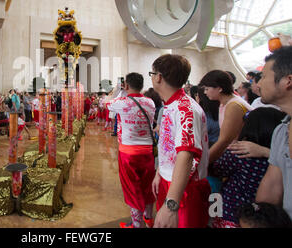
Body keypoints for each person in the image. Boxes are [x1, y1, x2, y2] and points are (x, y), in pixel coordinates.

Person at [150, 54, 210, 228]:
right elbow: (169, 147)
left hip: (184, 188)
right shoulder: (171, 105)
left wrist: (171, 206)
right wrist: (160, 172)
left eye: (152, 74)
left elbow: (186, 155)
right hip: (170, 182)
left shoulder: (186, 109)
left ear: (159, 77)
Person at [210, 107, 285, 228]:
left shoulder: (240, 152)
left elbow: (218, 169)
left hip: (232, 212)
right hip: (266, 217)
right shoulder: (280, 156)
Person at [107, 73, 156, 228]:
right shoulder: (150, 102)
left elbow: (106, 102)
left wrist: (116, 89)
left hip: (128, 153)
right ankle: (149, 218)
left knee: (132, 188)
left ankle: (137, 224)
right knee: (147, 186)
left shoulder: (121, 102)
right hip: (148, 151)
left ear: (126, 85)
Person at [255, 46, 292, 220]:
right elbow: (272, 186)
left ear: (287, 81)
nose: (259, 83)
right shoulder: (281, 130)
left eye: (263, 77)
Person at [199, 70, 253, 164]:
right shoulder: (225, 103)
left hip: (244, 157)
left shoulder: (233, 106)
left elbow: (224, 141)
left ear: (219, 88)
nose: (204, 92)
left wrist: (202, 164)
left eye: (207, 89)